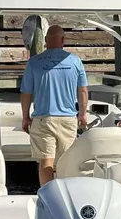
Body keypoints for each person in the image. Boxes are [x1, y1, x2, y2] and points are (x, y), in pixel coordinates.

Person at [20, 25, 88, 186]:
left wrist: (25, 117)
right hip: (68, 119)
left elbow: (26, 93)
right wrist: (83, 114)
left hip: (44, 119)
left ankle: (47, 195)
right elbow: (83, 91)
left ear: (45, 41)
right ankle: (67, 195)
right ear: (63, 40)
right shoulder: (75, 61)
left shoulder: (34, 62)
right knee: (67, 161)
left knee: (46, 162)